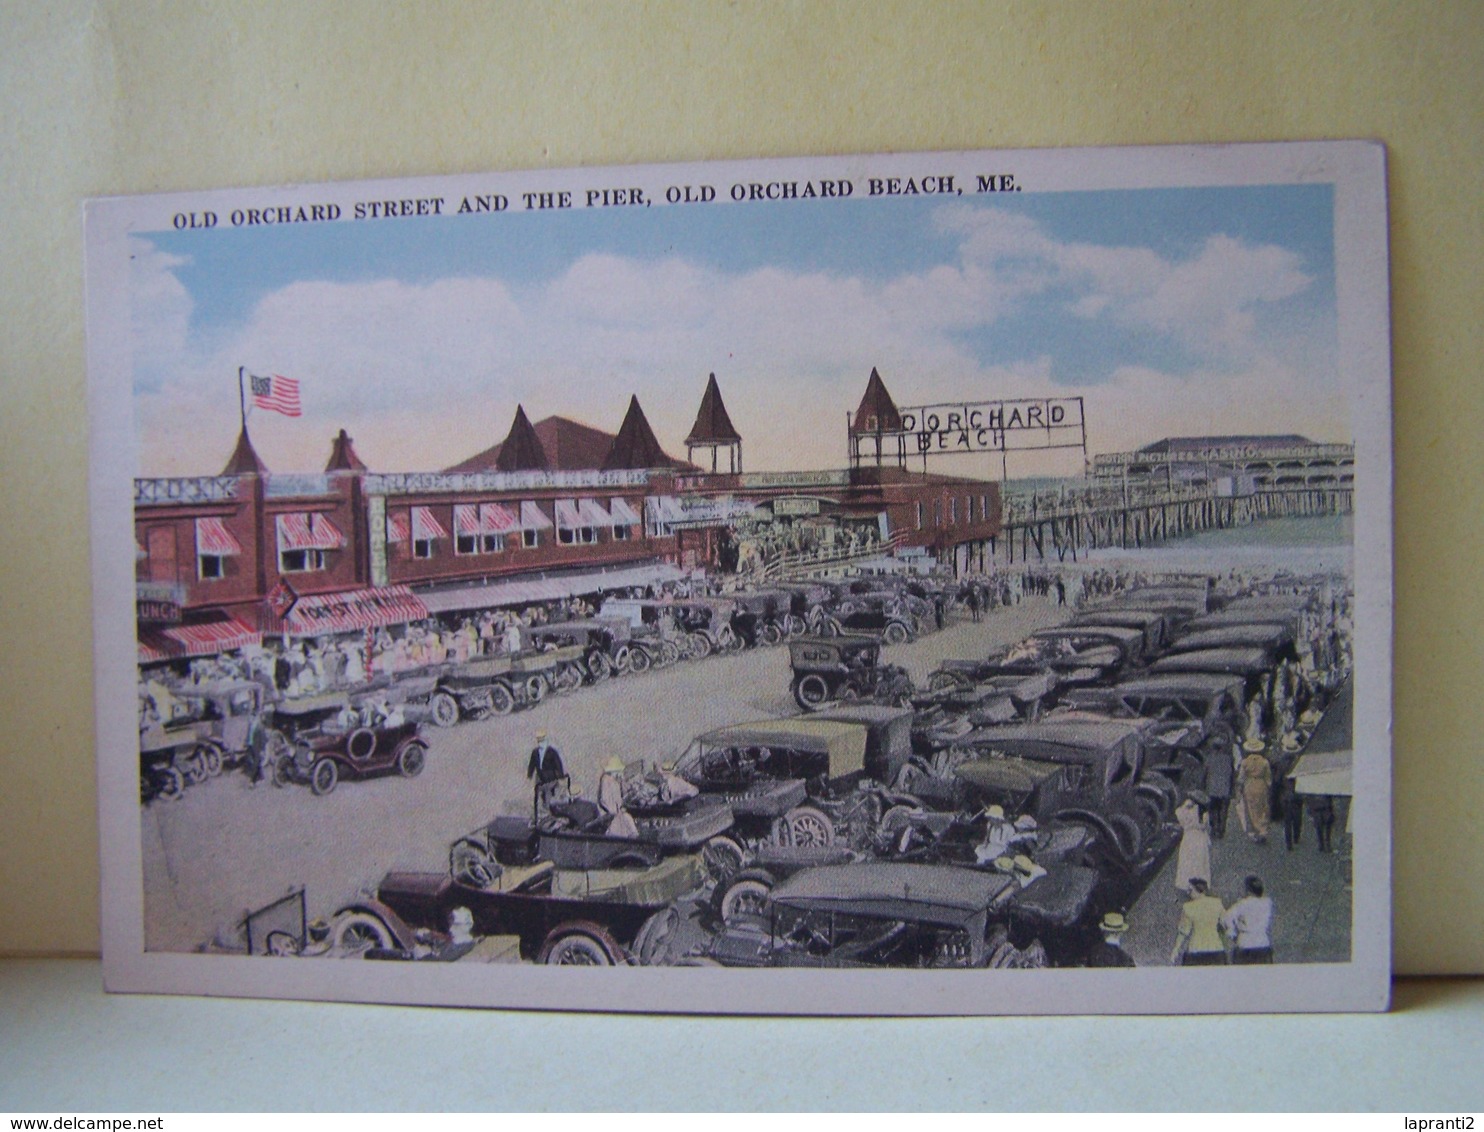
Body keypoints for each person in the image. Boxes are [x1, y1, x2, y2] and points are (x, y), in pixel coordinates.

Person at [1171, 878, 1227, 966]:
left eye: (1190, 890)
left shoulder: (1188, 907)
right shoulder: (1217, 903)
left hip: (1196, 948)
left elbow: (1183, 931)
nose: (1188, 893)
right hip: (1216, 947)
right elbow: (1225, 924)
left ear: (1197, 890)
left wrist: (1176, 948)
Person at [1221, 875, 1275, 964]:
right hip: (1263, 941)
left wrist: (1232, 932)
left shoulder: (1242, 904)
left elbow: (1226, 918)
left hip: (1245, 942)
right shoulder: (1267, 903)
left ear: (1247, 889)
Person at [1172, 793, 1212, 895]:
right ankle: (1201, 883)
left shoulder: (1185, 812)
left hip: (1189, 838)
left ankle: (1186, 884)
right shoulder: (1204, 814)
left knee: (1188, 860)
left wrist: (1185, 807)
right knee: (1200, 861)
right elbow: (1205, 827)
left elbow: (1178, 813)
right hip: (1200, 838)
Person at [1238, 739, 1273, 844]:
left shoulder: (1245, 762)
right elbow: (1268, 777)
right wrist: (1269, 785)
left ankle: (1255, 829)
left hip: (1249, 785)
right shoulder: (1264, 762)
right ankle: (1263, 830)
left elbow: (1241, 777)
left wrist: (1240, 786)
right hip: (1261, 785)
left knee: (1251, 808)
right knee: (1263, 807)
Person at [1279, 778, 1305, 850]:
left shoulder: (1285, 782)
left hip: (1293, 804)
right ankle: (1291, 842)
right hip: (1290, 805)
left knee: (1294, 824)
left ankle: (1293, 840)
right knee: (1291, 824)